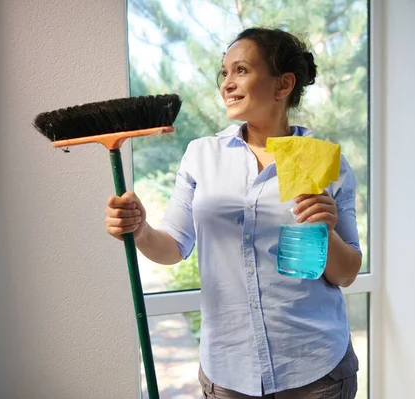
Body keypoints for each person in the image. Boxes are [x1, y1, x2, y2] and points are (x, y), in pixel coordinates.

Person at [105, 27, 362, 399]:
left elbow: (347, 272)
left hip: (315, 371)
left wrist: (326, 228)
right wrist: (140, 228)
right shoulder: (202, 155)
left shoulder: (322, 162)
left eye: (241, 70)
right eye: (224, 73)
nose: (227, 83)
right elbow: (173, 246)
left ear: (283, 84)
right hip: (228, 373)